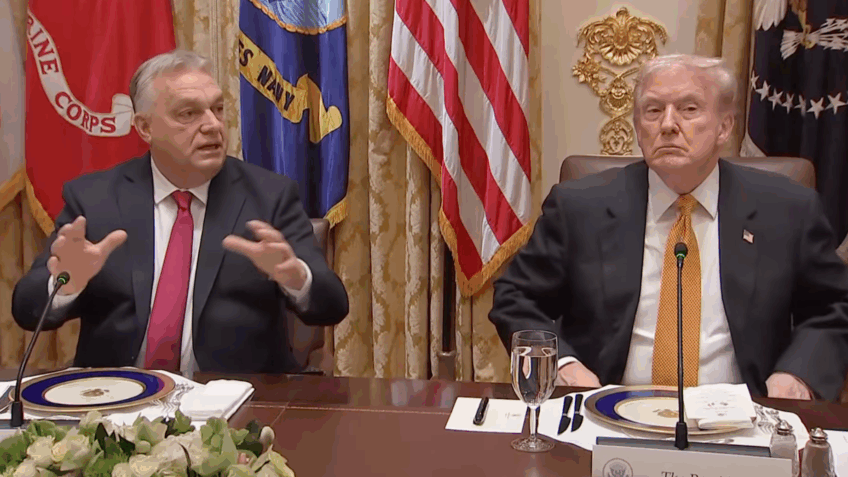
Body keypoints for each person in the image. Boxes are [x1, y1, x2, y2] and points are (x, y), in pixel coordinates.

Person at [489, 54, 848, 401]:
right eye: (653, 110)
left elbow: (834, 307)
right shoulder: (580, 207)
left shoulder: (786, 208)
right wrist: (562, 365)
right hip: (605, 412)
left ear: (725, 127)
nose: (668, 124)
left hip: (743, 418)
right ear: (637, 127)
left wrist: (798, 375)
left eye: (689, 109)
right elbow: (516, 298)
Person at [12, 49, 349, 376]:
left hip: (234, 399)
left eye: (218, 109)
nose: (212, 125)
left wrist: (296, 279)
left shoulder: (269, 196)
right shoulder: (94, 199)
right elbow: (26, 308)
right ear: (145, 127)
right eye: (188, 114)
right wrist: (65, 284)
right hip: (118, 398)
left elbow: (332, 304)